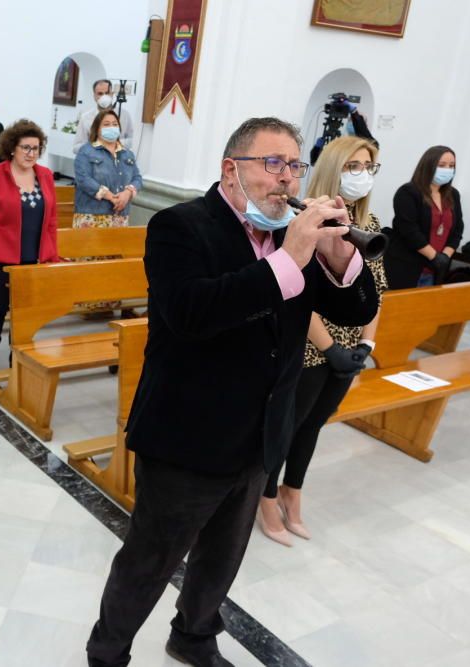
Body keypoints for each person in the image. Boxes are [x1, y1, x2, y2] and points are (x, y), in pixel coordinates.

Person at [86, 117, 377, 667]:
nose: (286, 179)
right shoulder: (180, 227)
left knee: (222, 557)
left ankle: (194, 636)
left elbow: (354, 309)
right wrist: (289, 260)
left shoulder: (295, 237)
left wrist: (339, 260)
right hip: (188, 438)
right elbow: (191, 314)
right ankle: (108, 651)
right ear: (231, 170)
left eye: (294, 166)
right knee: (151, 559)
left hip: (260, 433)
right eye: (272, 164)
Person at [257, 136, 389, 547]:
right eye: (353, 166)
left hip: (352, 345)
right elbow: (302, 295)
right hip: (314, 346)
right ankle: (266, 495)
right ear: (334, 168)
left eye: (368, 166)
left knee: (314, 425)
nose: (362, 174)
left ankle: (293, 491)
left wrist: (366, 345)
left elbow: (377, 292)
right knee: (289, 425)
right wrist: (330, 347)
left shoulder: (370, 226)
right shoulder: (308, 220)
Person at [0, 120, 60, 372]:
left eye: (36, 148)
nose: (31, 153)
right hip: (3, 260)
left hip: (35, 259)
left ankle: (16, 363)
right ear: (12, 148)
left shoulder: (45, 176)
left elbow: (51, 221)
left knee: (24, 316)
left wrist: (51, 256)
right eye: (26, 148)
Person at [72, 109, 142, 315]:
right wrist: (110, 196)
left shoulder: (126, 153)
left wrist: (128, 193)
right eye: (106, 124)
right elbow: (83, 179)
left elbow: (137, 177)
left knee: (113, 261)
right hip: (92, 215)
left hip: (119, 216)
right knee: (93, 261)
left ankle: (112, 304)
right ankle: (90, 306)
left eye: (114, 124)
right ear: (97, 128)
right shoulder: (87, 151)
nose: (111, 127)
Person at [384, 146, 464, 288]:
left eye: (452, 166)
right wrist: (434, 256)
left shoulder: (453, 195)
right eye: (442, 165)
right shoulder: (408, 192)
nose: (448, 169)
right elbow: (409, 230)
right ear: (428, 165)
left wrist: (444, 257)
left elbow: (458, 230)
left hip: (436, 270)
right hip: (406, 267)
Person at [73, 79, 136, 154]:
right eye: (100, 93)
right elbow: (76, 148)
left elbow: (133, 140)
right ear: (94, 96)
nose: (104, 96)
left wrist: (115, 143)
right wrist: (95, 145)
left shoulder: (124, 115)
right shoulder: (86, 118)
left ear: (112, 94)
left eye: (107, 93)